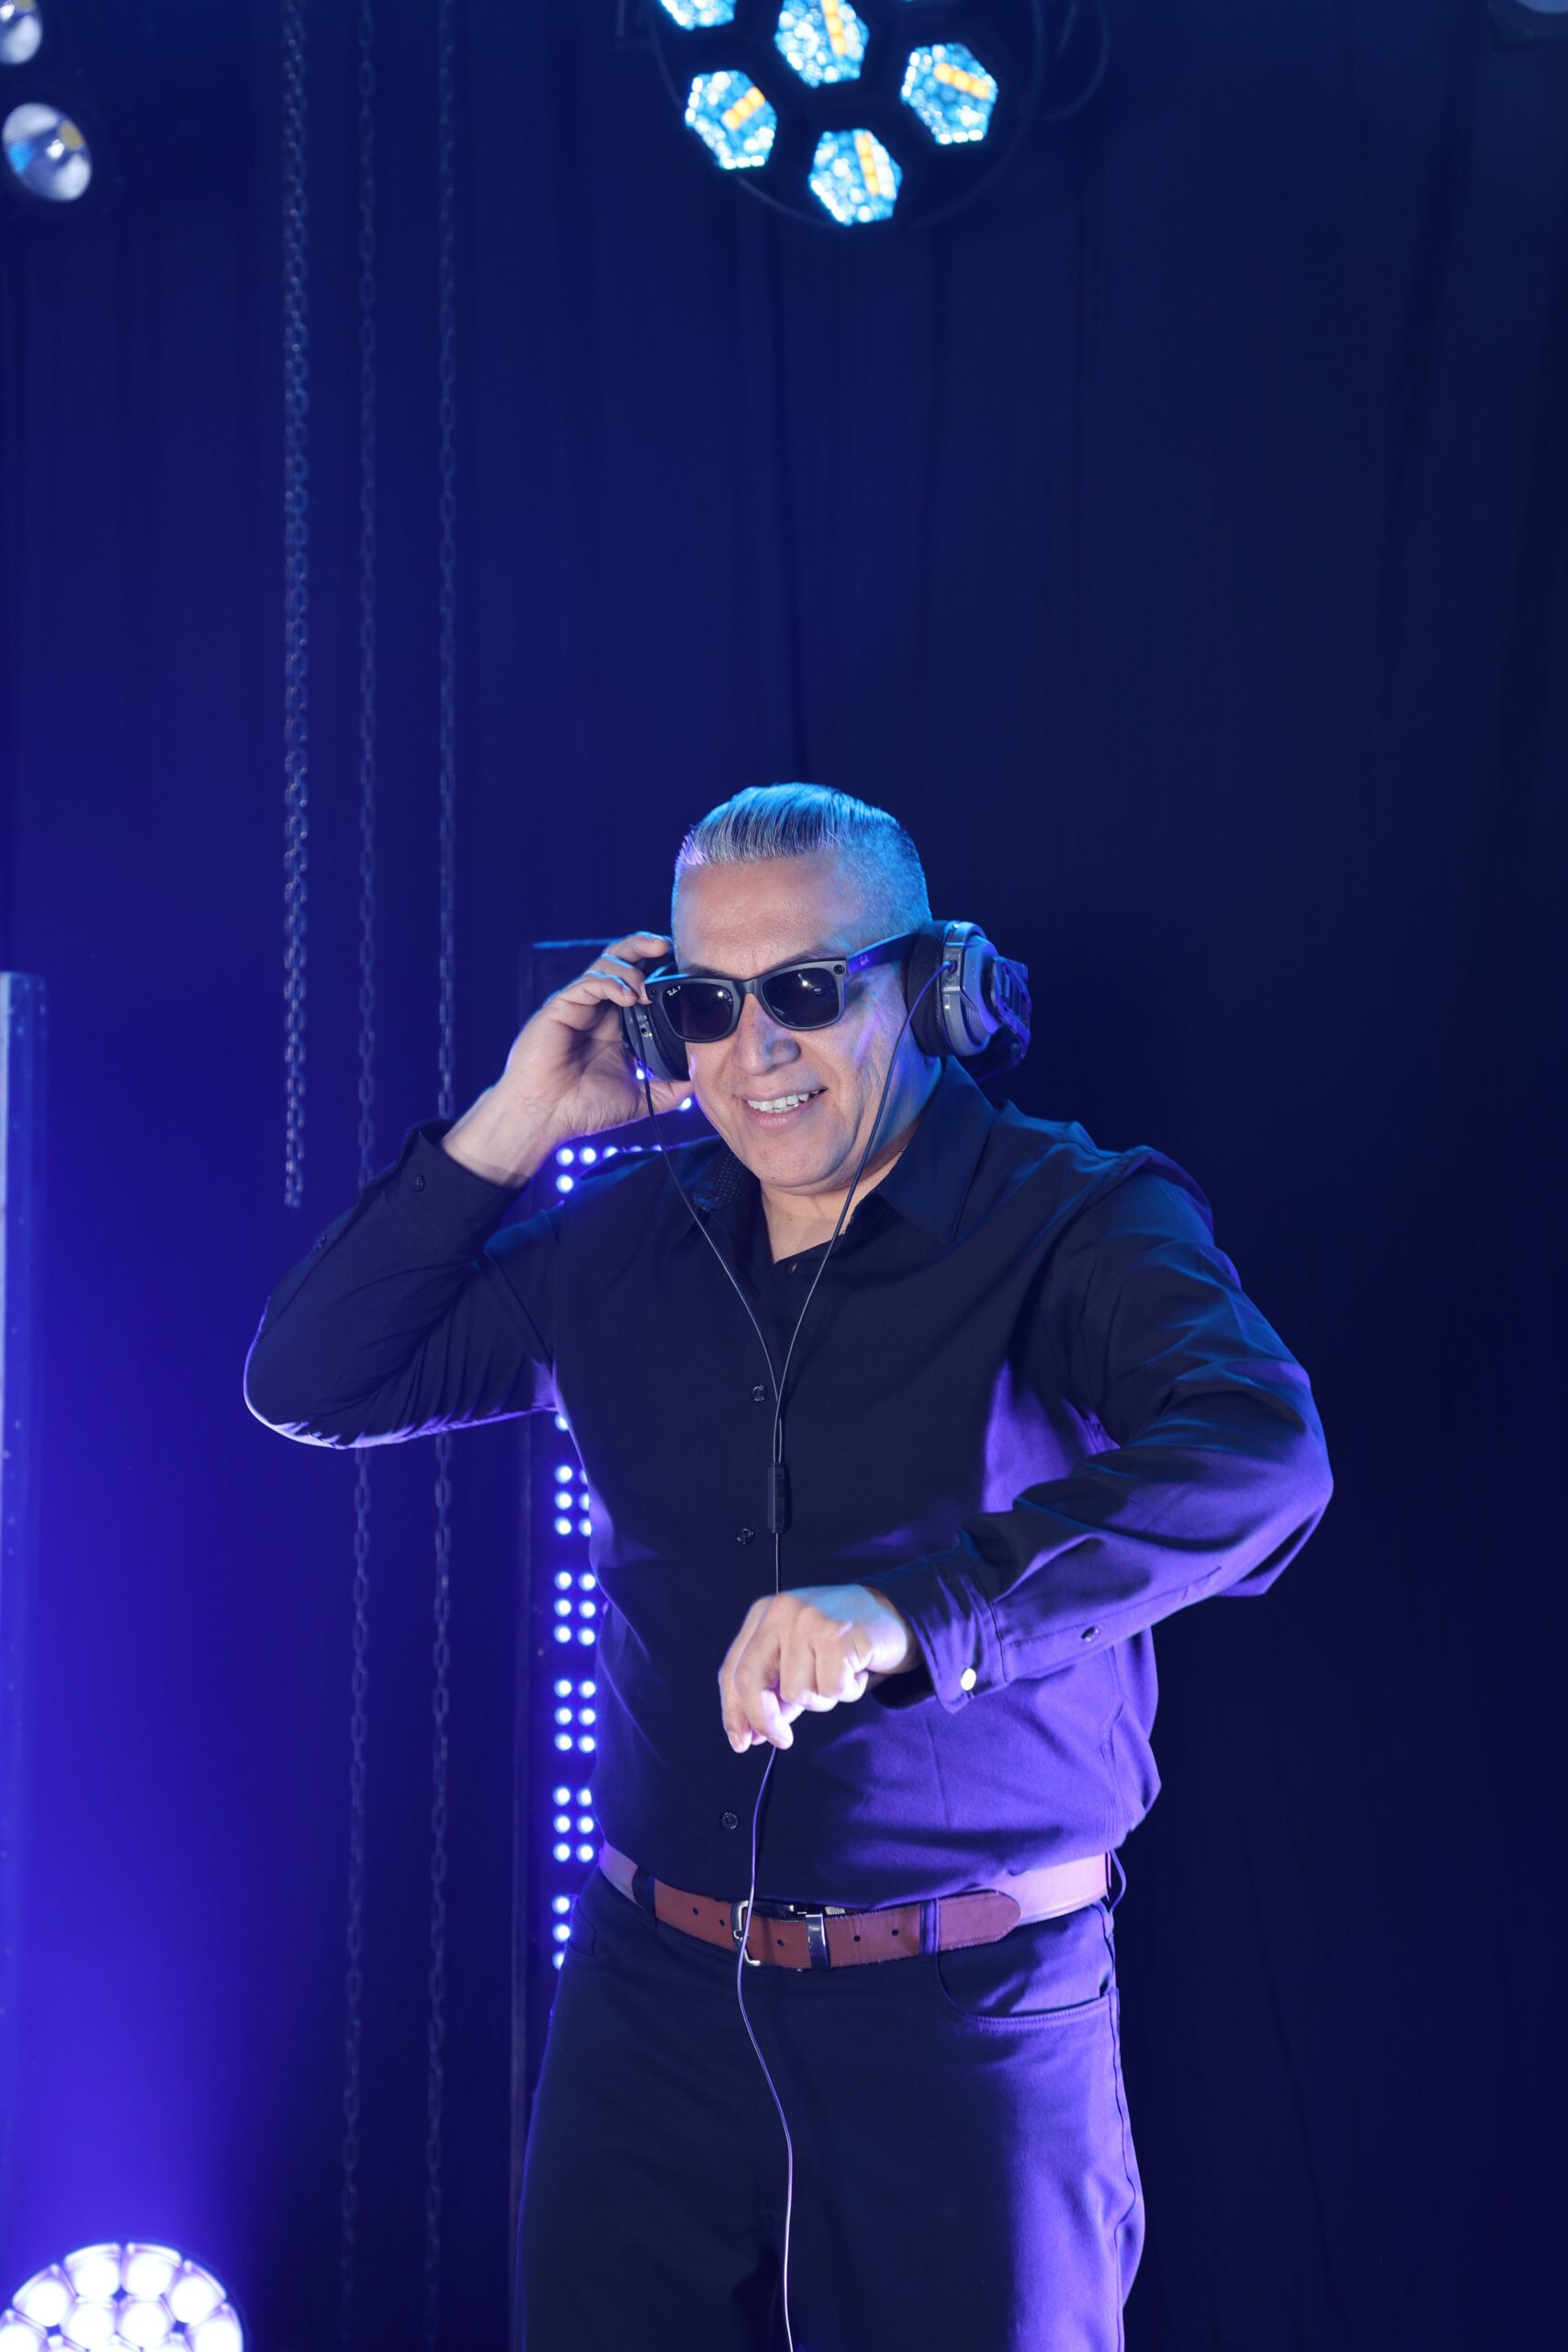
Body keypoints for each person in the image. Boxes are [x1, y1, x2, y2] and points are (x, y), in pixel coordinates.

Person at [243, 782, 1334, 2352]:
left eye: (807, 992)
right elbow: (312, 1380)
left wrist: (912, 1612)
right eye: (706, 1004)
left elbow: (1264, 1456)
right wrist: (512, 1124)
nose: (755, 1051)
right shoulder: (618, 1241)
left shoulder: (1077, 1219)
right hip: (650, 2005)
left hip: (969, 2016)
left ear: (931, 987)